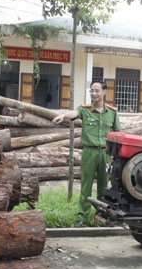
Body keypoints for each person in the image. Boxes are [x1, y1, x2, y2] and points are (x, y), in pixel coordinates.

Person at [52, 80, 121, 221]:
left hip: (105, 154)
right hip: (89, 152)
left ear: (104, 92)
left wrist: (116, 156)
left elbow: (118, 134)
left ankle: (102, 216)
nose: (94, 94)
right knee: (86, 186)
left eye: (97, 91)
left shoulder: (112, 113)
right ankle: (82, 217)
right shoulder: (85, 109)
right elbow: (74, 113)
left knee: (104, 187)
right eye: (91, 91)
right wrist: (63, 116)